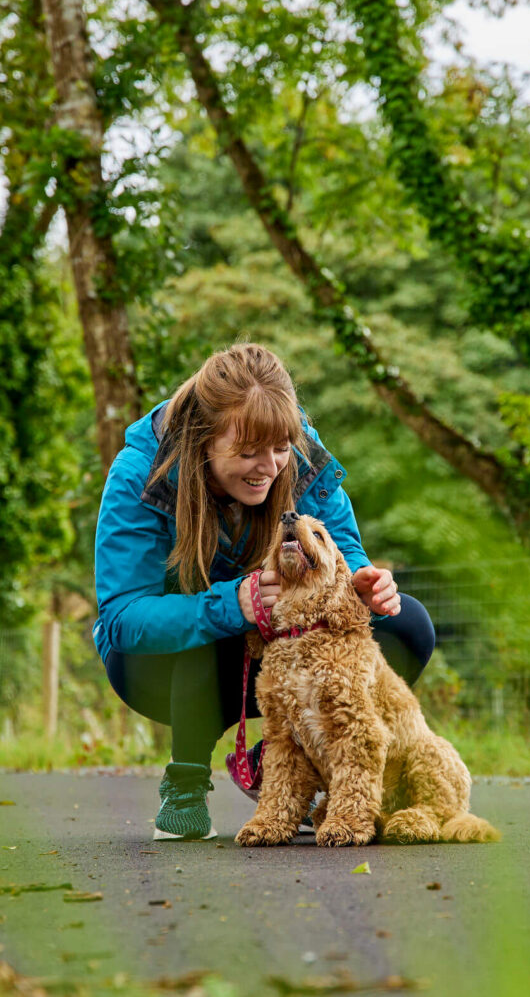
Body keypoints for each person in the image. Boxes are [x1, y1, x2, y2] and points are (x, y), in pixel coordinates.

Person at [93, 343, 436, 840]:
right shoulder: (140, 475)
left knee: (407, 626)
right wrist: (232, 604)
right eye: (247, 452)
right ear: (203, 440)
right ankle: (187, 781)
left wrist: (360, 580)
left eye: (279, 449)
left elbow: (342, 548)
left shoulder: (298, 451)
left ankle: (294, 760)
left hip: (286, 648)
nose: (269, 466)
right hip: (158, 668)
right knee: (206, 630)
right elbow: (123, 617)